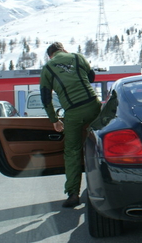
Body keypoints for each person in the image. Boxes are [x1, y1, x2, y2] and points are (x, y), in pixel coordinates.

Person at [40, 41, 101, 208]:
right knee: (101, 145)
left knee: (72, 152)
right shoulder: (77, 57)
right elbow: (91, 76)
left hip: (73, 112)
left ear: (50, 55)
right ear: (63, 50)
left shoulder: (48, 68)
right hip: (93, 104)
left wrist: (54, 120)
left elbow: (45, 98)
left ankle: (73, 194)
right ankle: (104, 188)